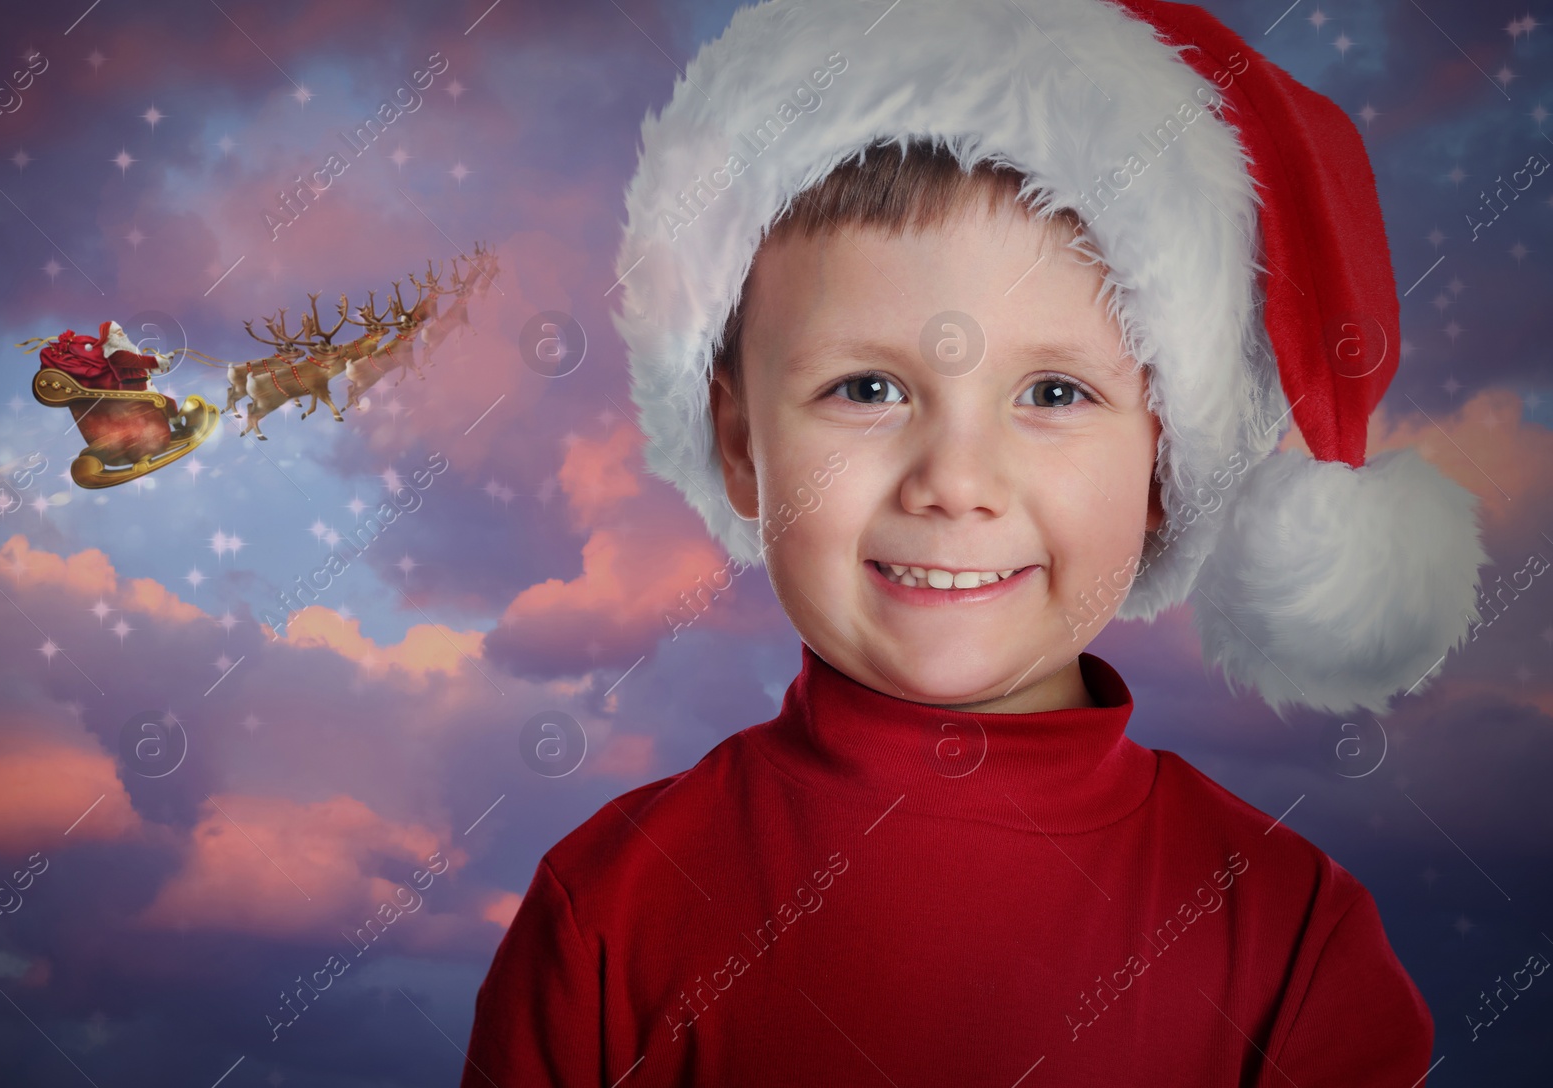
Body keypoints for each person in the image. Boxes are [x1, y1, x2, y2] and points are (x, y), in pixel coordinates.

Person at [461, 0, 1487, 1083]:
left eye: (1052, 391)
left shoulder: (1291, 942)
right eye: (865, 387)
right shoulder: (605, 915)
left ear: (1164, 460)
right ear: (739, 443)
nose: (953, 481)